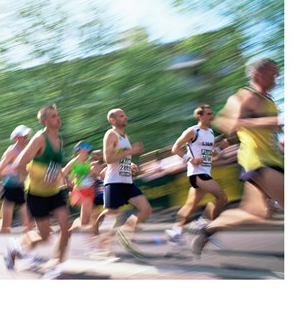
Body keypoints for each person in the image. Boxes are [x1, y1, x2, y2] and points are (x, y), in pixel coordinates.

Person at [191, 58, 284, 256]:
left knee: (256, 213)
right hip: (258, 161)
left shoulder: (268, 99)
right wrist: (270, 121)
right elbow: (227, 122)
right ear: (259, 74)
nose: (278, 75)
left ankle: (208, 229)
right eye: (273, 72)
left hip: (272, 159)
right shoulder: (245, 95)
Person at [3, 104, 69, 278]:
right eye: (54, 116)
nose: (58, 118)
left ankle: (55, 265)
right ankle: (16, 248)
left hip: (54, 192)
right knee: (46, 236)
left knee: (65, 229)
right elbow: (18, 164)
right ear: (45, 121)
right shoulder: (40, 138)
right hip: (36, 194)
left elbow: (54, 165)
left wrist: (64, 178)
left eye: (58, 114)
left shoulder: (59, 141)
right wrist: (37, 177)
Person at [165, 104, 229, 246]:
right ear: (199, 116)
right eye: (208, 114)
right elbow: (175, 148)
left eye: (211, 114)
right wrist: (191, 159)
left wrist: (220, 148)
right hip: (197, 173)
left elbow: (209, 155)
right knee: (222, 197)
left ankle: (175, 232)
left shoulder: (211, 133)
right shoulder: (193, 131)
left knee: (190, 205)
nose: (211, 116)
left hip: (205, 171)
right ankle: (203, 224)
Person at [93, 108, 152, 252]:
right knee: (113, 214)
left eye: (125, 115)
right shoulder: (110, 134)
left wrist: (130, 164)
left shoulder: (125, 137)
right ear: (113, 120)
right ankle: (102, 248)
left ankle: (125, 233)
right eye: (121, 116)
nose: (125, 117)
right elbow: (108, 159)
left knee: (146, 210)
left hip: (127, 182)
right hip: (114, 182)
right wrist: (130, 151)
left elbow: (122, 158)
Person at [62, 141, 98, 234]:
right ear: (78, 150)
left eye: (88, 146)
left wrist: (93, 173)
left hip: (90, 190)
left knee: (84, 222)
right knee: (94, 213)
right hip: (80, 192)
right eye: (84, 146)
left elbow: (92, 176)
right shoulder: (74, 161)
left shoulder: (87, 163)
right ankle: (97, 237)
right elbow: (63, 173)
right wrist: (68, 181)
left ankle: (69, 231)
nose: (87, 148)